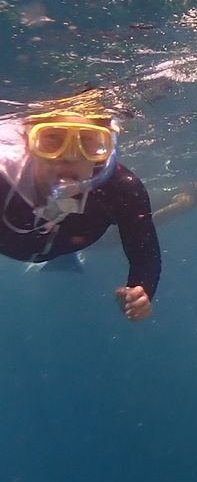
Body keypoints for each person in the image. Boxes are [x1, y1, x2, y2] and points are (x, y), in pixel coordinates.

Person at [0, 93, 161, 320]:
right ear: (29, 142)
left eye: (87, 141)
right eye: (53, 139)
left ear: (104, 149)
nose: (69, 156)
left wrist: (141, 291)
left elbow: (144, 255)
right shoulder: (4, 176)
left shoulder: (121, 188)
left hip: (65, 241)